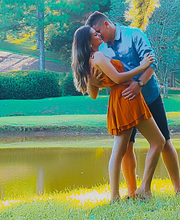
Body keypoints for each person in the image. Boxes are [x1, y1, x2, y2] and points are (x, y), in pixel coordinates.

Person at [86, 11, 180, 196]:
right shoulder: (100, 49)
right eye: (95, 34)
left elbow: (151, 62)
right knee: (126, 147)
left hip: (149, 96)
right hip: (126, 103)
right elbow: (106, 78)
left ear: (107, 24)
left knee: (164, 142)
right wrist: (96, 82)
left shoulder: (134, 34)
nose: (98, 35)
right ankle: (132, 192)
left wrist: (139, 84)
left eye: (99, 31)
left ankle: (177, 189)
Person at [71, 24, 166, 203]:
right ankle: (137, 190)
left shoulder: (90, 60)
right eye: (94, 34)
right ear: (89, 42)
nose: (98, 35)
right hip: (127, 98)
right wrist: (142, 66)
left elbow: (93, 94)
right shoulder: (98, 56)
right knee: (155, 142)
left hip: (120, 99)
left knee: (121, 149)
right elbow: (118, 78)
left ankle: (122, 194)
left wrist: (94, 82)